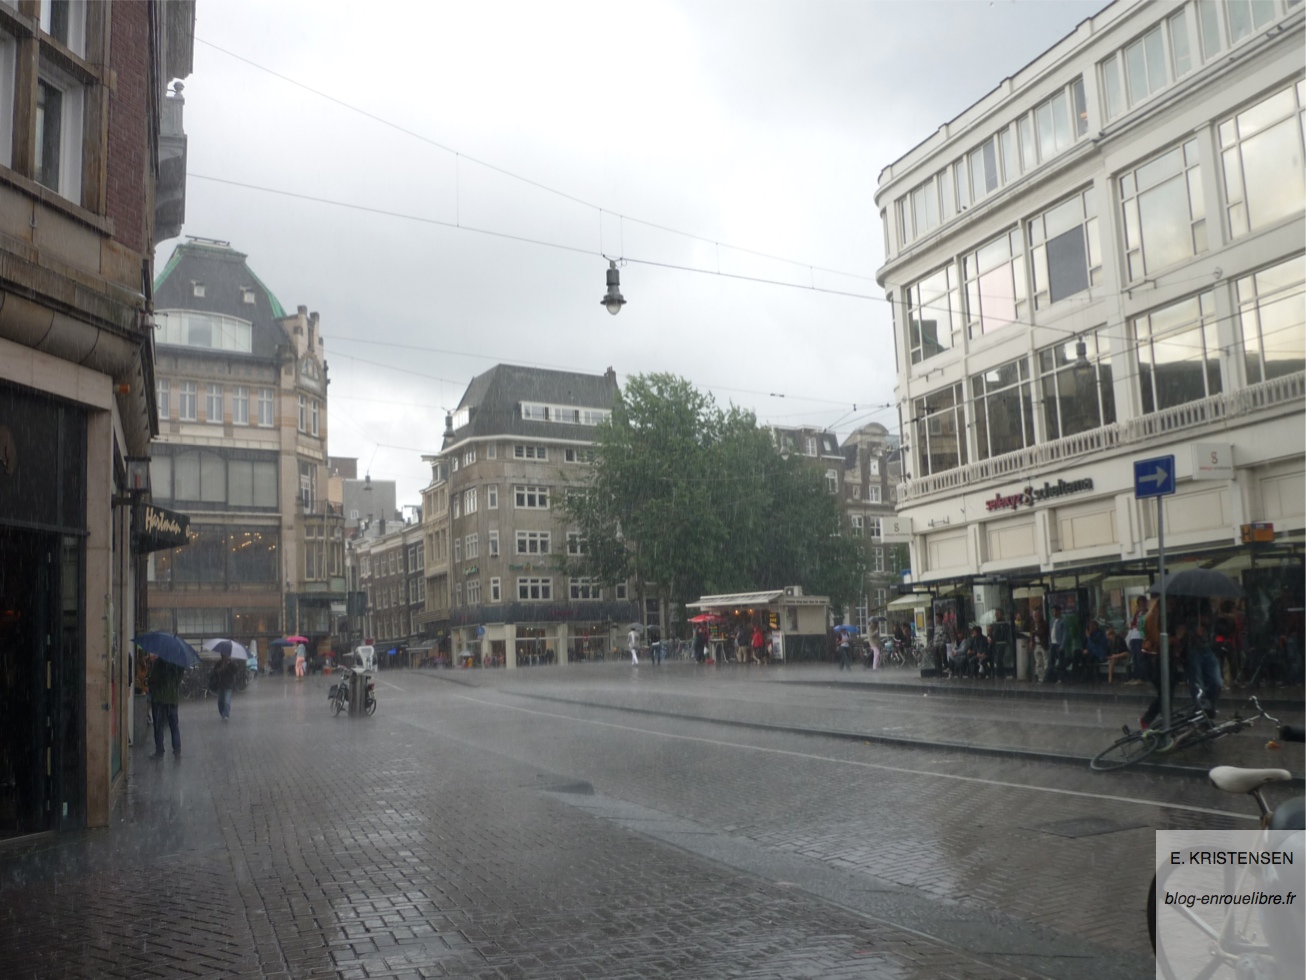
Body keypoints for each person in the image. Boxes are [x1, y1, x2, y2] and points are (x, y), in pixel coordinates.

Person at [1183, 599, 1222, 716]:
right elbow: (1181, 626)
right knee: (1197, 684)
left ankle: (1207, 706)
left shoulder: (1205, 604)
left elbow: (1212, 624)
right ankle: (1202, 710)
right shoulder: (1186, 605)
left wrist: (1207, 623)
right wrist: (1194, 628)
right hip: (1193, 648)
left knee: (1217, 682)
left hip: (1207, 647)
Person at [147, 654, 185, 759]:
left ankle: (159, 750)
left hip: (160, 698)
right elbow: (178, 680)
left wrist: (150, 678)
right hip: (172, 699)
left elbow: (153, 679)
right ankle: (177, 750)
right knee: (174, 726)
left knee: (158, 726)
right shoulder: (179, 663)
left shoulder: (160, 662)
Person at [209, 650, 241, 721]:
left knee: (227, 700)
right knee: (220, 701)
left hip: (229, 685)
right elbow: (214, 672)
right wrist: (219, 670)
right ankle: (222, 713)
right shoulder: (219, 663)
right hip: (221, 685)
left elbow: (235, 671)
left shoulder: (231, 664)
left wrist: (229, 665)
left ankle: (226, 714)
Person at [1125, 596, 1146, 685]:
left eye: (1142, 603)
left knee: (1140, 657)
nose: (1141, 605)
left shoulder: (1147, 613)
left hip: (1141, 636)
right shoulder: (1137, 613)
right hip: (1134, 635)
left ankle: (1141, 677)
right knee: (1135, 657)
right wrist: (1133, 626)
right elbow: (1133, 623)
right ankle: (1135, 676)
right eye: (1139, 604)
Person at [1045, 606, 1067, 683]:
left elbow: (1065, 634)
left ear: (1059, 612)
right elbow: (1050, 631)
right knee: (1051, 661)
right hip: (1053, 644)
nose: (1054, 613)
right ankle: (1051, 678)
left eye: (1055, 611)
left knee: (1061, 662)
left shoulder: (1062, 622)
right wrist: (1049, 642)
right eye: (1053, 611)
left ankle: (1061, 678)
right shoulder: (1052, 621)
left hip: (1059, 644)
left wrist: (1062, 645)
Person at [1030, 610, 1049, 683]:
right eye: (1034, 616)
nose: (1035, 617)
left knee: (1045, 661)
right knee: (1038, 662)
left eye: (1036, 615)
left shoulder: (1044, 623)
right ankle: (1041, 678)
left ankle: (1046, 677)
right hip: (1036, 644)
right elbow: (1031, 633)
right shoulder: (1032, 624)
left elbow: (1042, 633)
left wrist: (1035, 631)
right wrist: (1031, 641)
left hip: (1043, 644)